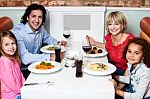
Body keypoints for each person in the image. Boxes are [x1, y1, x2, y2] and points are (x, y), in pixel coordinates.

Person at [11, 3, 67, 79]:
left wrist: (58, 44)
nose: (37, 20)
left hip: (38, 64)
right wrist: (50, 57)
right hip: (23, 71)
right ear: (27, 17)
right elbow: (25, 58)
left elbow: (48, 38)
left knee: (61, 73)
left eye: (40, 17)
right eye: (33, 16)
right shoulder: (18, 32)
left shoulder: (41, 28)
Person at [86, 11, 135, 76]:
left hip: (127, 73)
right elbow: (108, 47)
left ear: (122, 25)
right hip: (113, 69)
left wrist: (120, 84)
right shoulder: (110, 37)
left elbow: (132, 65)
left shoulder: (130, 40)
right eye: (110, 24)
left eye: (116, 24)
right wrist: (94, 43)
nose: (113, 27)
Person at [0, 31, 25, 99]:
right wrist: (22, 91)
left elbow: (20, 75)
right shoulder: (4, 61)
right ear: (1, 46)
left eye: (13, 43)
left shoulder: (14, 59)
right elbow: (11, 83)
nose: (11, 47)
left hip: (19, 92)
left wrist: (25, 86)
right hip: (11, 96)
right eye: (6, 44)